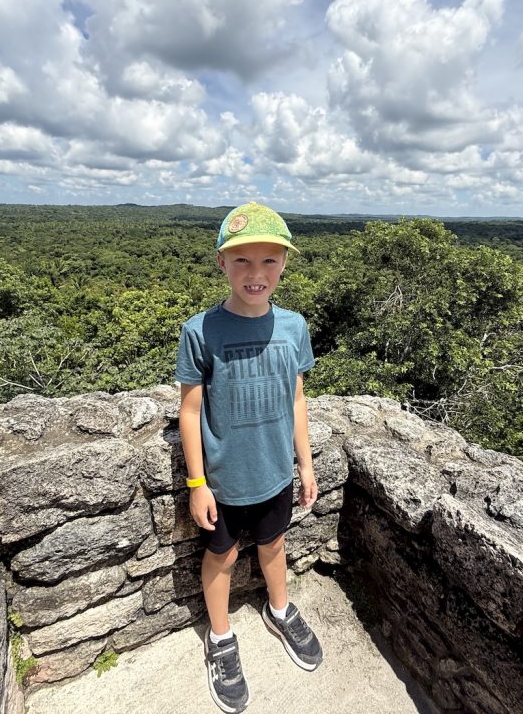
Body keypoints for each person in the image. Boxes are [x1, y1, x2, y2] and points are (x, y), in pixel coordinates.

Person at [176, 201, 323, 713]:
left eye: (268, 261)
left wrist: (305, 465)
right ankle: (221, 639)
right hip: (222, 479)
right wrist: (197, 485)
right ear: (222, 264)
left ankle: (279, 609)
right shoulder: (201, 330)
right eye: (242, 261)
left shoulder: (294, 326)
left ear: (284, 264)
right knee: (222, 556)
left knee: (274, 543)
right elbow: (190, 411)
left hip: (275, 474)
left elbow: (297, 399)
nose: (256, 274)